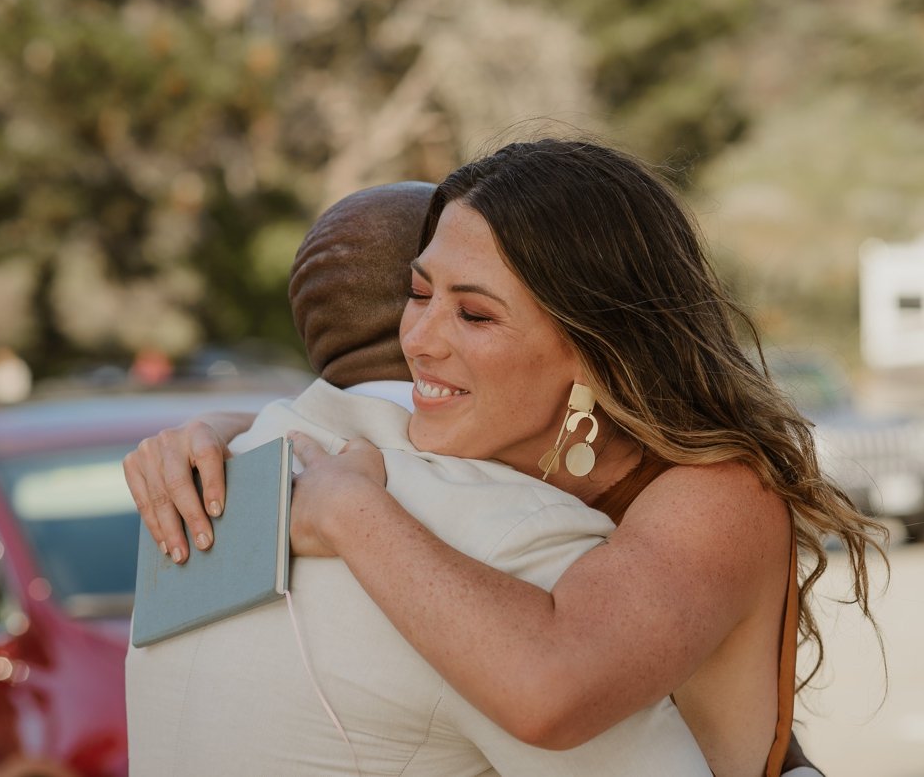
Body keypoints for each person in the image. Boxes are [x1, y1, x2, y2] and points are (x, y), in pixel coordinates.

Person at [127, 141, 869, 777]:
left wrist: (352, 513)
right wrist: (224, 435)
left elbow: (555, 690)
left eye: (474, 314)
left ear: (596, 350)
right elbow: (351, 410)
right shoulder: (506, 451)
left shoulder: (716, 497)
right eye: (418, 294)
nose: (418, 340)